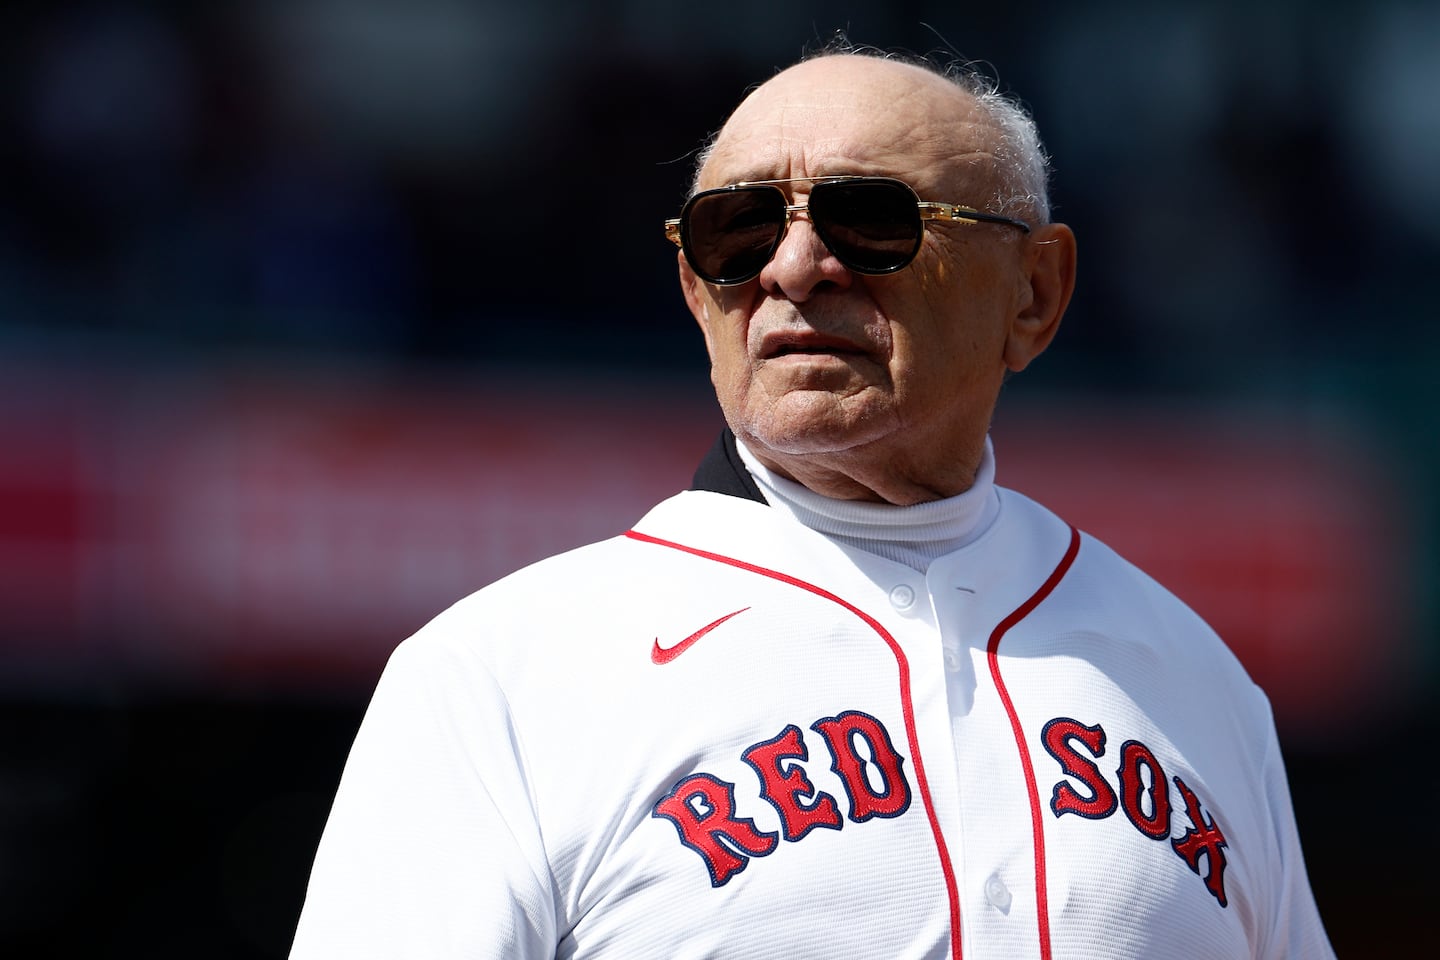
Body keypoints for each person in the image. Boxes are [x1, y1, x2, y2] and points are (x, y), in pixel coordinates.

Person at [289, 47, 1334, 959]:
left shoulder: (1192, 678)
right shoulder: (501, 675)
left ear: (1035, 292)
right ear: (695, 292)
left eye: (872, 220)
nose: (793, 267)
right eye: (736, 230)